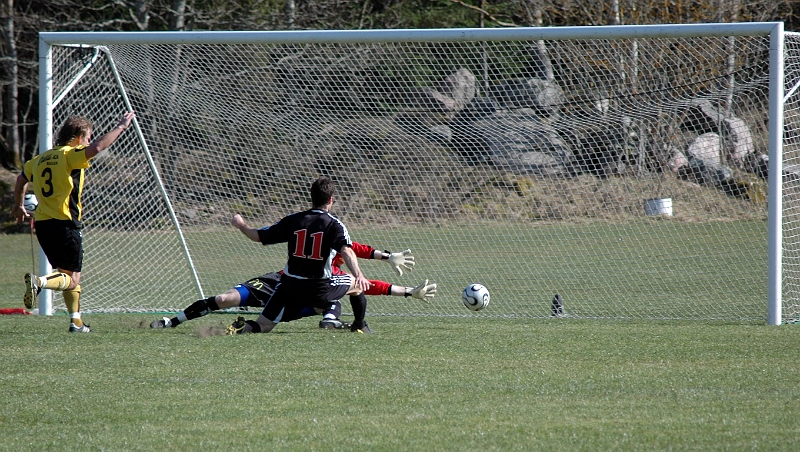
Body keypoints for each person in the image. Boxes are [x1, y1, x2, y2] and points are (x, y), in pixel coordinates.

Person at [12, 112, 136, 333]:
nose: (89, 140)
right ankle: (39, 283)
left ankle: (76, 322)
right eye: (87, 136)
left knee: (66, 273)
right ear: (78, 136)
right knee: (71, 279)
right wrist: (121, 127)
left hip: (43, 225)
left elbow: (21, 179)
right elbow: (97, 148)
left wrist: (18, 205)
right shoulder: (70, 155)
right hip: (65, 224)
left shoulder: (40, 159)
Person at [148, 243, 437, 330]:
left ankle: (337, 323)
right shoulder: (326, 244)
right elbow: (357, 250)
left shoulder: (336, 276)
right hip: (277, 282)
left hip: (301, 300)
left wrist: (408, 290)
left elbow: (367, 282)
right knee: (224, 298)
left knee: (341, 293)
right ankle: (172, 321)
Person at [225, 176, 372, 334]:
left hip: (289, 287)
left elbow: (257, 236)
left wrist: (240, 224)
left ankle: (237, 328)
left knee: (263, 325)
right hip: (318, 290)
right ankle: (359, 325)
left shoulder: (293, 220)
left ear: (311, 198)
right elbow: (347, 250)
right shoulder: (334, 224)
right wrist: (359, 275)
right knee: (356, 286)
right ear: (331, 200)